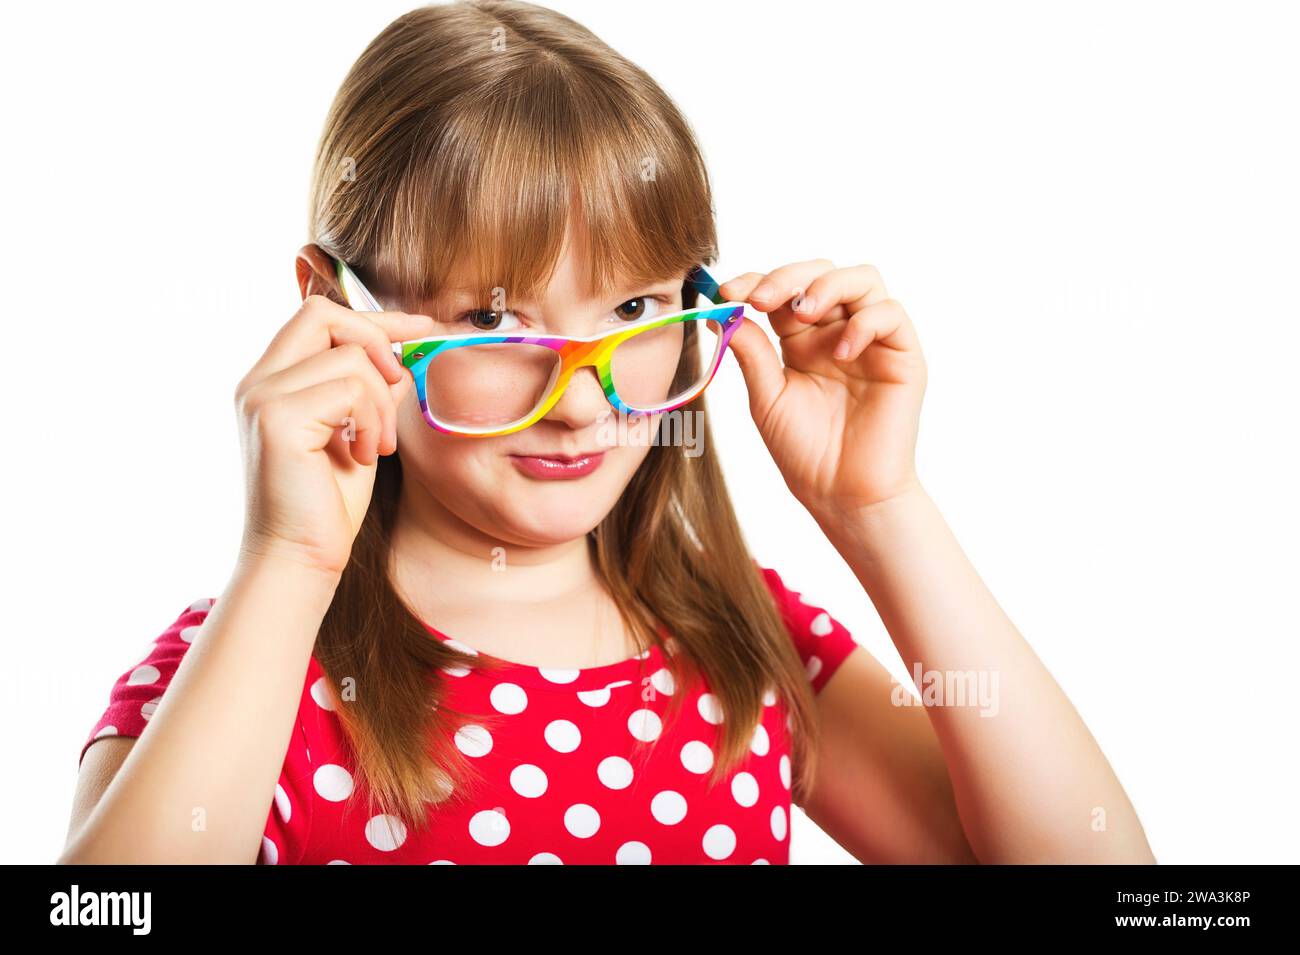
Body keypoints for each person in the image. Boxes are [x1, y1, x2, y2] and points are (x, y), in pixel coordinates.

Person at [60, 0, 1154, 865]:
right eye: (493, 318)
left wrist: (880, 510)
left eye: (631, 311)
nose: (583, 401)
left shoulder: (744, 642)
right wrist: (288, 562)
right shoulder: (251, 659)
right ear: (332, 305)